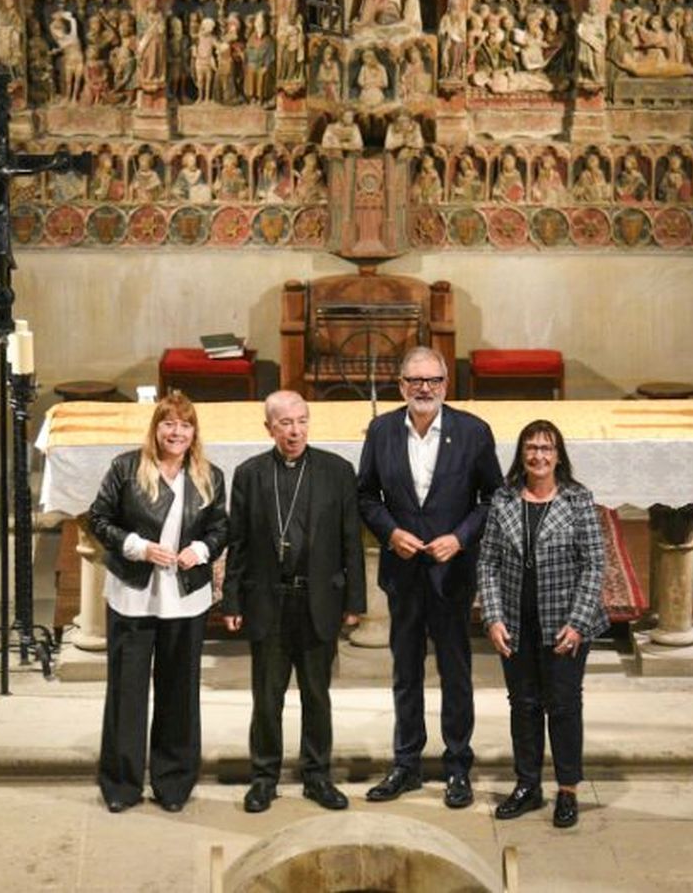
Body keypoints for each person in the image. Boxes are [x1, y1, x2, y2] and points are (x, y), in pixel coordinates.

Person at [358, 346, 502, 809]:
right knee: (405, 671)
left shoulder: (473, 432)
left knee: (455, 671)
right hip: (403, 571)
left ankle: (458, 765)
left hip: (452, 572)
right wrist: (390, 531)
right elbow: (365, 496)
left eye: (433, 381)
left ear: (445, 384)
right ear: (401, 385)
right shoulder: (381, 430)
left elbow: (492, 499)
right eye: (415, 381)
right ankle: (406, 764)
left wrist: (459, 539)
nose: (424, 389)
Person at [222, 391, 366, 813]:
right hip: (268, 599)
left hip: (319, 599)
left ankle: (317, 776)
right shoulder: (249, 475)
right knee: (267, 698)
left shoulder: (337, 471)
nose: (295, 430)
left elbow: (349, 542)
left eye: (301, 421)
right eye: (285, 423)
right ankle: (264, 777)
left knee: (316, 695)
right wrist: (232, 601)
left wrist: (354, 599)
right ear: (269, 428)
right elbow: (239, 544)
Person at [87, 391, 228, 814]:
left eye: (185, 425)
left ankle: (174, 781)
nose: (177, 432)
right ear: (156, 428)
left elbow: (221, 526)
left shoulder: (209, 475)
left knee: (180, 693)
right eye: (169, 424)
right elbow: (98, 520)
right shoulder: (127, 468)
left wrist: (200, 551)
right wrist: (138, 547)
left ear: (194, 433)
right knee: (127, 693)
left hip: (185, 600)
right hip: (134, 595)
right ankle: (121, 783)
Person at [477, 420, 606, 829]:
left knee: (564, 706)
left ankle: (567, 789)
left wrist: (578, 623)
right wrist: (493, 617)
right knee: (524, 705)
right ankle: (527, 785)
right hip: (517, 623)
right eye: (531, 448)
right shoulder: (504, 499)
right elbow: (488, 562)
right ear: (521, 454)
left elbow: (594, 564)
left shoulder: (577, 500)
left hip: (563, 624)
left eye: (546, 448)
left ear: (558, 455)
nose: (538, 456)